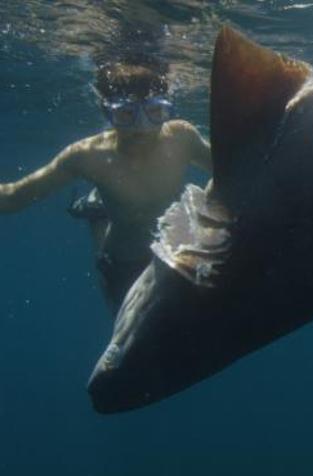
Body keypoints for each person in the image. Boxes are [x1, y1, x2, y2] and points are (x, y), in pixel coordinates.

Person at [0, 55, 212, 311]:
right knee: (132, 340)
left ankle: (96, 206)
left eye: (155, 112)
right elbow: (13, 198)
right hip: (124, 263)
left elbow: (231, 169)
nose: (142, 128)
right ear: (107, 112)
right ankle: (95, 212)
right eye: (126, 114)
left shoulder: (182, 137)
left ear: (167, 109)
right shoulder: (89, 156)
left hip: (177, 256)